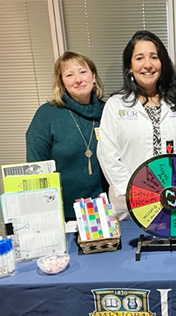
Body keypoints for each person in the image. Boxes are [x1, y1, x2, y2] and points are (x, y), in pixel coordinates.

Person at [97, 31, 176, 219]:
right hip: (130, 207)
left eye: (154, 57)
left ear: (162, 64)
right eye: (139, 58)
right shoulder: (116, 106)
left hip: (175, 204)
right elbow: (107, 155)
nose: (148, 65)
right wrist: (137, 194)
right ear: (130, 66)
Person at [26, 51, 108, 220]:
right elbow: (36, 169)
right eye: (69, 75)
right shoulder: (47, 115)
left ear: (93, 77)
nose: (78, 79)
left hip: (106, 212)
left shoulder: (109, 111)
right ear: (62, 83)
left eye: (83, 72)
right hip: (63, 216)